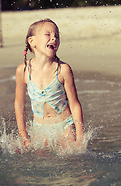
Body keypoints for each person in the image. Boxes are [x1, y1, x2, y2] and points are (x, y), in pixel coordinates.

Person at [14, 18, 84, 152]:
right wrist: (23, 135)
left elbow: (75, 104)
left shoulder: (63, 69)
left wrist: (80, 137)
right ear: (32, 41)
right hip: (40, 128)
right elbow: (19, 104)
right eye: (48, 34)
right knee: (42, 165)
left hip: (65, 127)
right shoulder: (23, 71)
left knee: (71, 162)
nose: (54, 38)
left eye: (56, 36)